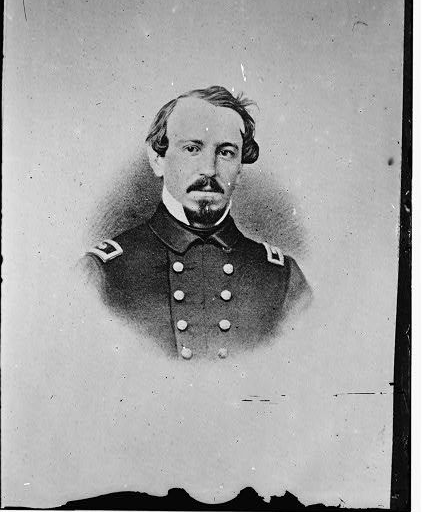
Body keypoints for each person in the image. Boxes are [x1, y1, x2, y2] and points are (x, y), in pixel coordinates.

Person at [82, 86, 312, 360]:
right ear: (157, 159)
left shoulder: (282, 278)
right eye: (192, 149)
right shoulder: (101, 273)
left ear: (240, 168)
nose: (209, 170)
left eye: (226, 152)